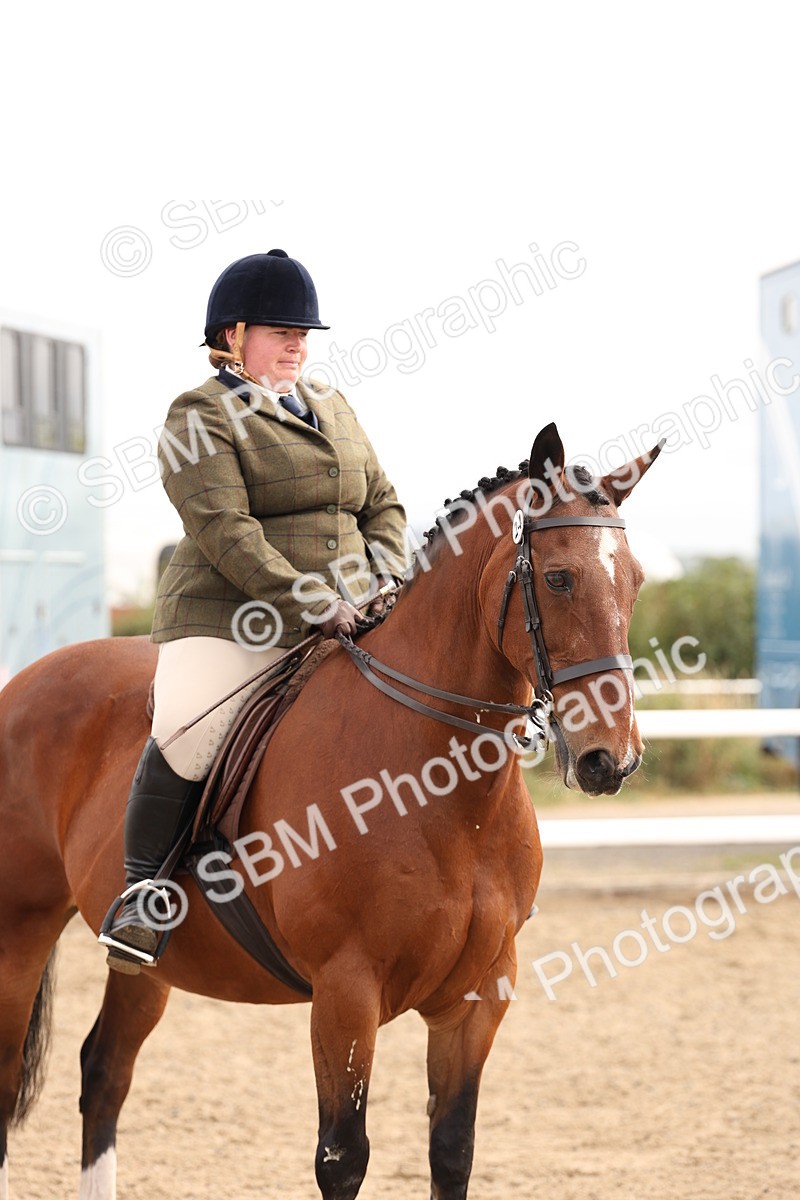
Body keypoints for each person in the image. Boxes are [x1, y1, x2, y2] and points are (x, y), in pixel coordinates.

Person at [99, 249, 407, 974]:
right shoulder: (199, 415)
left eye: (303, 333)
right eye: (281, 331)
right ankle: (144, 897)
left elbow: (382, 502)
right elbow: (228, 533)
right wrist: (311, 601)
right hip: (233, 618)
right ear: (233, 337)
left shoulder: (332, 404)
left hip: (354, 608)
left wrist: (387, 579)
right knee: (190, 727)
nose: (298, 344)